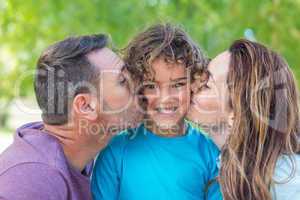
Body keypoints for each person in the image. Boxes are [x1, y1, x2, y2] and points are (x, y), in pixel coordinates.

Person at [0, 34, 140, 200]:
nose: (139, 85)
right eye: (123, 80)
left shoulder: (77, 158)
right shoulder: (32, 182)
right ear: (85, 106)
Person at [91, 24, 222, 200]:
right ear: (136, 88)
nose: (166, 98)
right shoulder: (116, 151)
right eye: (151, 86)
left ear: (194, 85)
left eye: (178, 84)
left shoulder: (210, 153)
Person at [187, 39, 300, 199]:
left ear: (236, 113)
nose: (191, 86)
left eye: (206, 85)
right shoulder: (219, 163)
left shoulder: (288, 183)